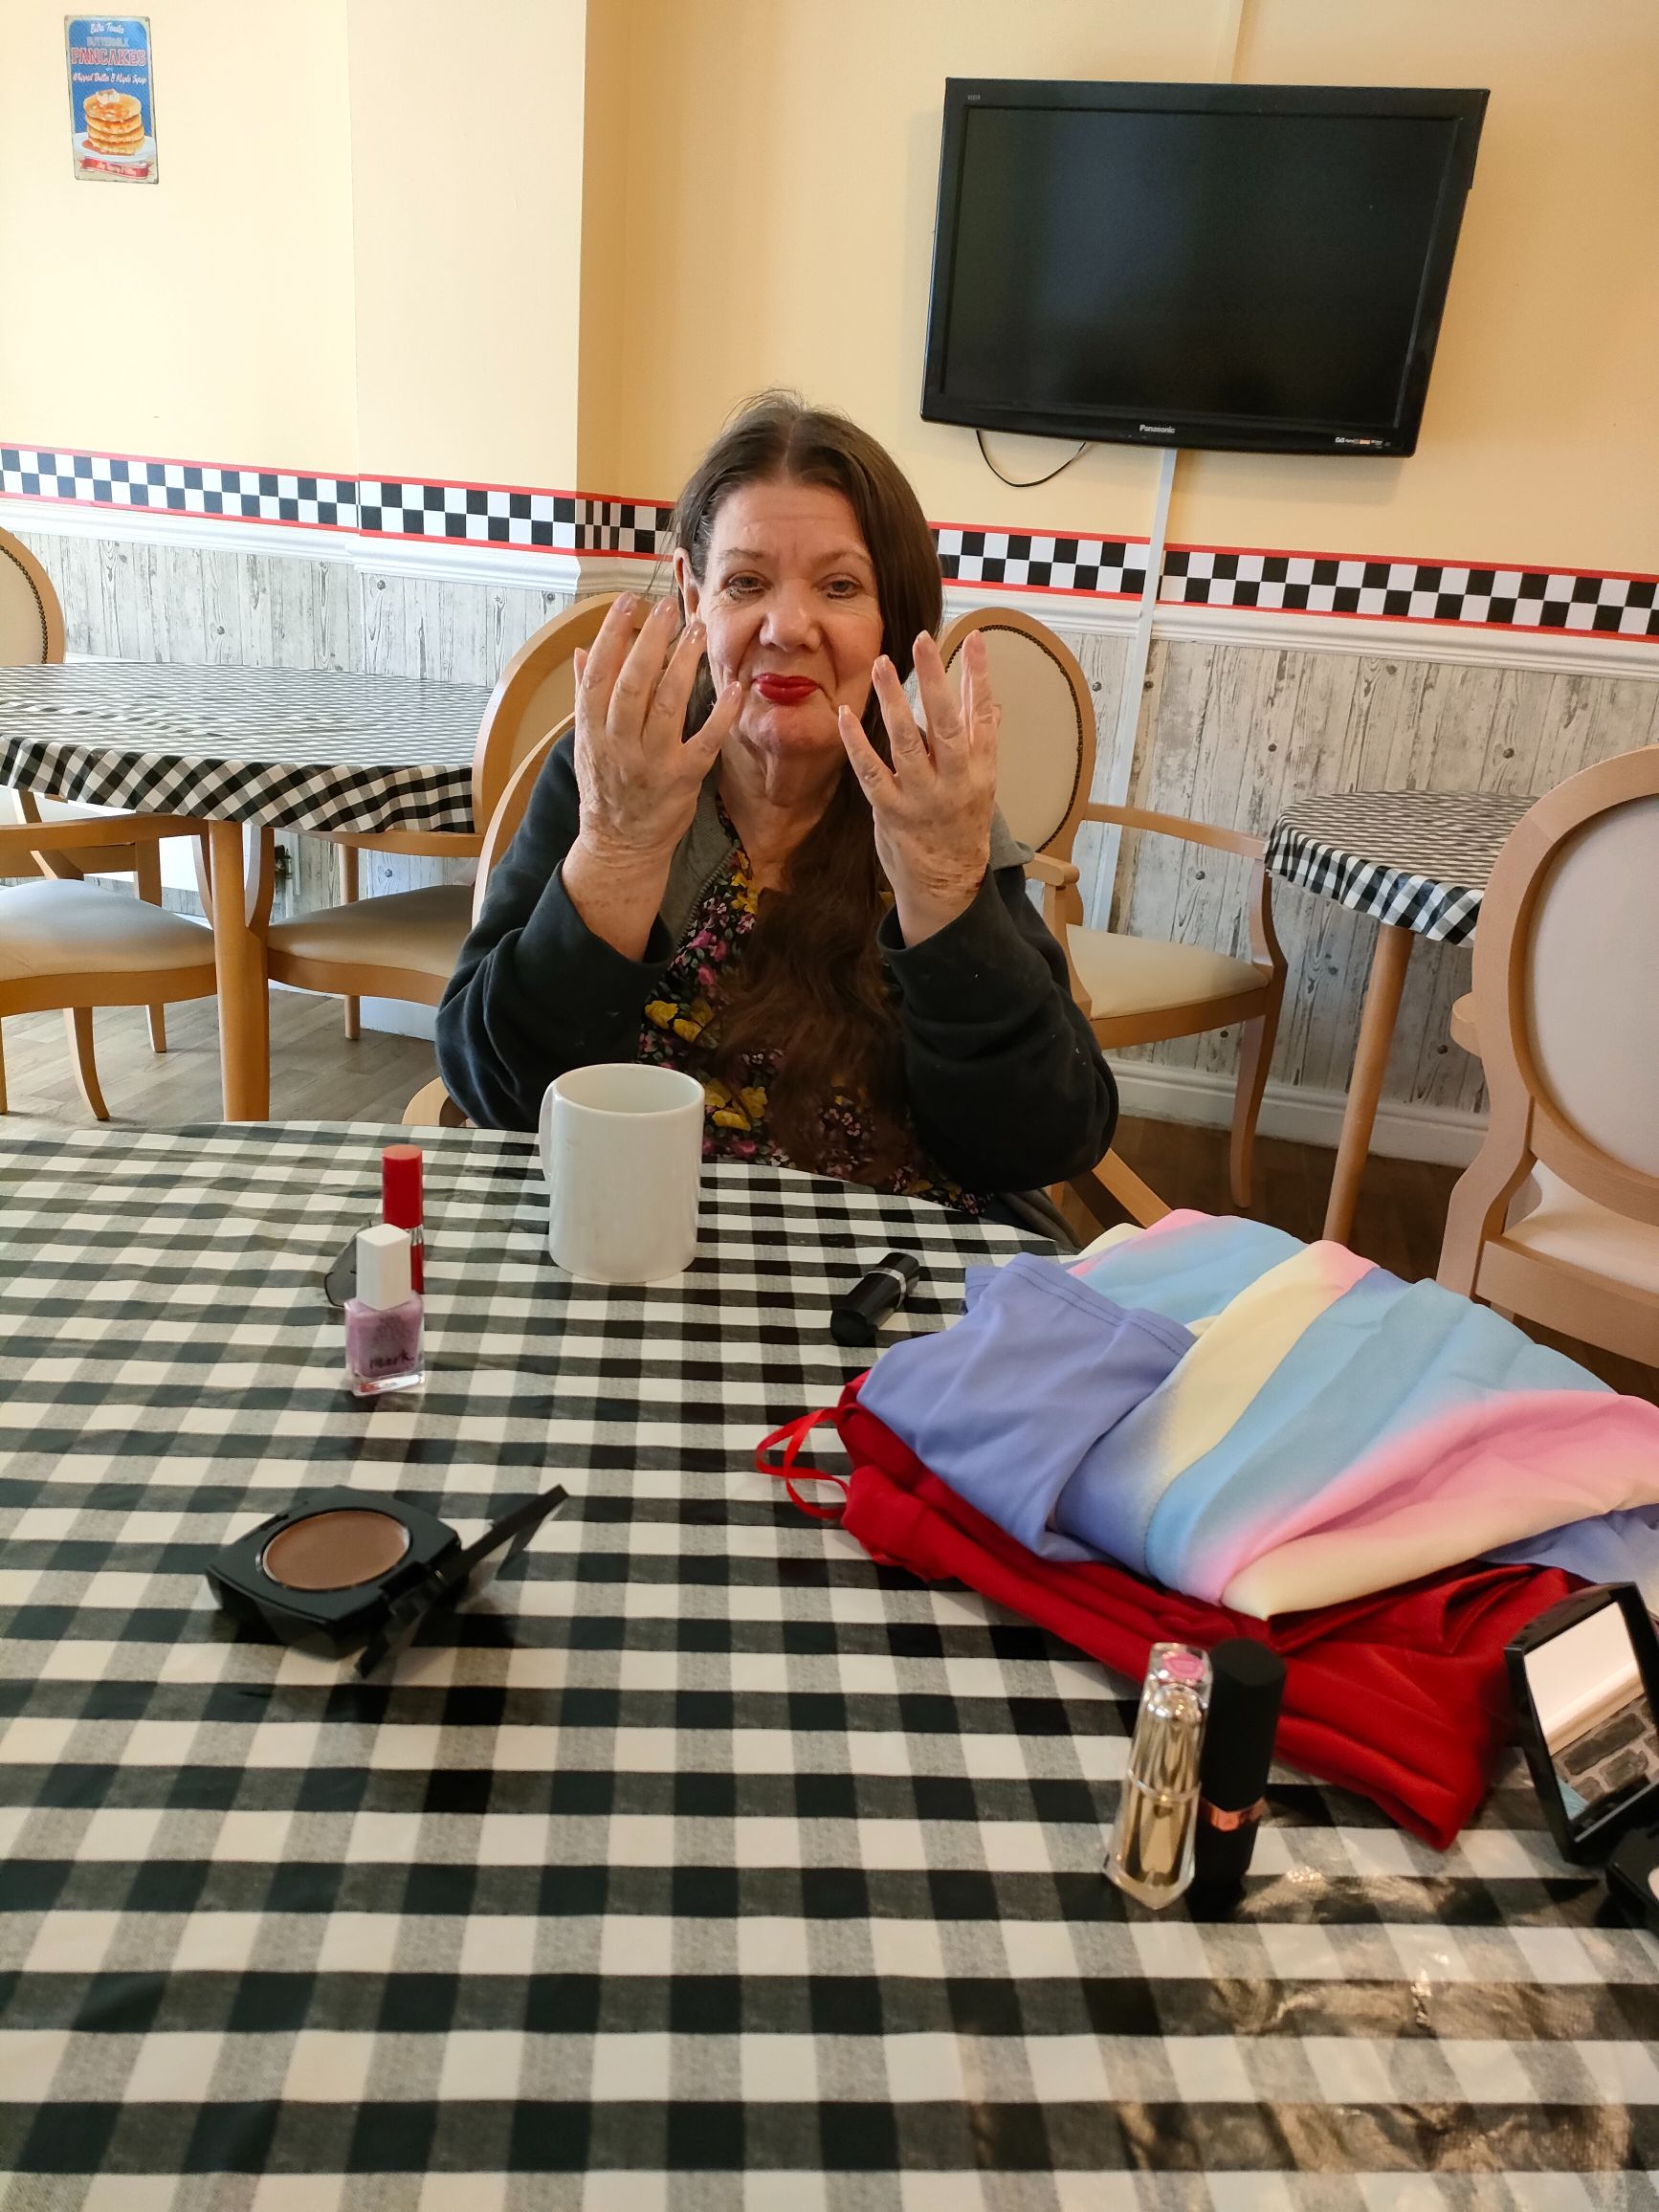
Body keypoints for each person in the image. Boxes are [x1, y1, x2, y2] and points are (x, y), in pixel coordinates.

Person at [436, 393, 1116, 1216]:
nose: (788, 627)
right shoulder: (614, 775)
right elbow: (496, 1092)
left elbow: (1046, 1136)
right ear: (692, 596)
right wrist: (618, 853)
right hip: (632, 1237)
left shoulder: (927, 800)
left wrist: (945, 897)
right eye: (746, 582)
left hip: (900, 1266)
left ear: (891, 618)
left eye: (839, 586)